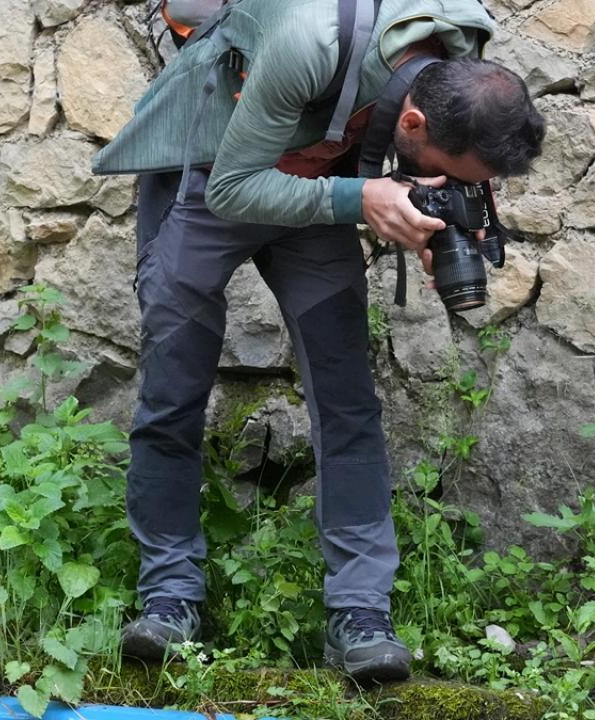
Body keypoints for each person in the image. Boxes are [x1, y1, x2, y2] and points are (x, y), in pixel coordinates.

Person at [92, 0, 545, 683]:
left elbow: (453, 154)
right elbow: (237, 190)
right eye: (449, 168)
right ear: (414, 123)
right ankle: (170, 597)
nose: (450, 180)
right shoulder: (309, 43)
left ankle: (361, 616)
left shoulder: (460, 43)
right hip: (216, 173)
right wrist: (363, 199)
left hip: (321, 183)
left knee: (347, 401)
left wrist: (457, 216)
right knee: (173, 389)